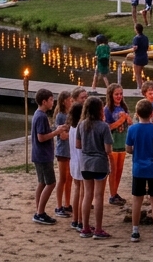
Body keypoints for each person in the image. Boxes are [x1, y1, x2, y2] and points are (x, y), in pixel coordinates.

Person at [126, 98, 153, 243]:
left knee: (137, 200)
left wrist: (137, 152)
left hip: (138, 169)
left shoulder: (132, 129)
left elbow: (128, 149)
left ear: (137, 114)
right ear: (152, 114)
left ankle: (135, 231)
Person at [78, 95, 113, 239]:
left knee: (87, 195)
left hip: (85, 163)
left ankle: (85, 227)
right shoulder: (103, 126)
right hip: (99, 163)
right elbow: (108, 149)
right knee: (98, 196)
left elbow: (77, 145)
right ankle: (98, 229)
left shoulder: (81, 124)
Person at [31, 89, 65, 225]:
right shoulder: (41, 117)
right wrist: (56, 132)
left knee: (42, 182)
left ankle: (39, 210)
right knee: (51, 183)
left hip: (38, 154)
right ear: (44, 101)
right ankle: (40, 213)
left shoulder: (38, 114)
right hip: (43, 155)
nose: (53, 102)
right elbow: (41, 137)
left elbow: (43, 133)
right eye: (51, 100)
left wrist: (55, 130)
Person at [103, 83, 131, 211]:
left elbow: (129, 123)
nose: (119, 96)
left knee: (119, 169)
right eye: (116, 94)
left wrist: (128, 120)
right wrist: (119, 121)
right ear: (111, 95)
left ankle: (115, 192)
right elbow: (106, 127)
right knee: (113, 170)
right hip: (113, 142)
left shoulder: (124, 107)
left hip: (122, 141)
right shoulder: (107, 109)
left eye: (121, 94)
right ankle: (112, 195)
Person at [67, 90, 87, 232]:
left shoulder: (72, 127)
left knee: (77, 190)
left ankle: (75, 219)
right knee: (82, 192)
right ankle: (80, 221)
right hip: (80, 161)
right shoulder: (80, 127)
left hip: (74, 161)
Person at [53, 90, 74, 219]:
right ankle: (59, 205)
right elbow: (63, 135)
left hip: (70, 150)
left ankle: (67, 203)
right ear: (64, 101)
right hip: (62, 151)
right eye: (70, 100)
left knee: (69, 178)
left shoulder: (70, 115)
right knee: (62, 178)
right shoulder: (60, 116)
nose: (71, 101)